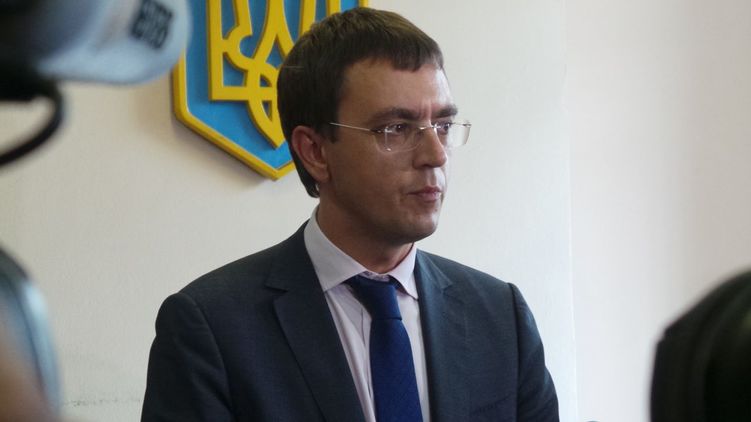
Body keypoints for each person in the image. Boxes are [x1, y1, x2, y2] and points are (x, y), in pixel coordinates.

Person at [141, 7, 558, 422]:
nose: (435, 155)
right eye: (397, 129)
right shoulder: (212, 328)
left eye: (443, 126)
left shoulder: (500, 316)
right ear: (315, 152)